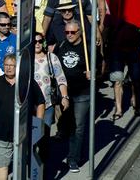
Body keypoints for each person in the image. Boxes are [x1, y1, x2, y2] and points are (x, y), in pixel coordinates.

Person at [0, 54, 45, 180]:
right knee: (1, 165)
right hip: (0, 133)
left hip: (24, 133)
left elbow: (41, 103)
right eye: (6, 65)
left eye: (12, 65)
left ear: (18, 67)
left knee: (21, 165)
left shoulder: (27, 82)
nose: (8, 68)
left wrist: (38, 123)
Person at [54, 21, 90, 173]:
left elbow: (100, 66)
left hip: (82, 93)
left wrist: (93, 73)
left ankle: (73, 158)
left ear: (79, 32)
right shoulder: (61, 45)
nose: (69, 35)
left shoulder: (88, 49)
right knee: (68, 124)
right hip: (65, 93)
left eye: (72, 32)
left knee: (78, 127)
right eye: (67, 32)